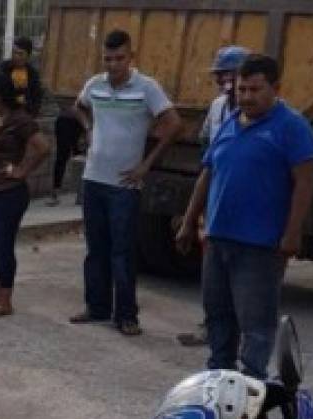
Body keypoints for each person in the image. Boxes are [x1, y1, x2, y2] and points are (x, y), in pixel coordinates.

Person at [175, 54, 313, 379]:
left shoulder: (292, 127)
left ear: (276, 88)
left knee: (255, 324)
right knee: (217, 316)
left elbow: (305, 182)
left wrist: (292, 233)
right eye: (242, 90)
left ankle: (251, 388)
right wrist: (188, 222)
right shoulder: (230, 120)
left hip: (260, 246)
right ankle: (220, 380)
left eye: (255, 90)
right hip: (218, 239)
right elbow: (208, 173)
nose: (247, 97)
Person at [69, 29, 182, 336]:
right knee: (96, 249)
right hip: (93, 179)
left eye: (119, 58)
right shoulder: (95, 85)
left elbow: (173, 123)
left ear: (132, 57)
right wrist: (88, 126)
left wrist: (146, 164)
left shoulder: (146, 88)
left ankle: (127, 315)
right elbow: (78, 107)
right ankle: (97, 307)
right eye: (108, 59)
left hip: (125, 186)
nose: (113, 65)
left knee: (123, 252)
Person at [177, 44, 249, 349]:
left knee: (245, 268)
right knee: (214, 265)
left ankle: (244, 329)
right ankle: (213, 325)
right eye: (219, 75)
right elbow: (207, 148)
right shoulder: (218, 107)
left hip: (246, 199)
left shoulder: (260, 110)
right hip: (218, 194)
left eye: (228, 74)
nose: (223, 81)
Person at [0, 71, 50, 317]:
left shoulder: (20, 120)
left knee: (3, 245)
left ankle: (5, 300)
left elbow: (43, 147)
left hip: (10, 192)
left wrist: (22, 170)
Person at [48, 104, 83, 206]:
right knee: (62, 157)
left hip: (84, 120)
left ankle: (82, 193)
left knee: (82, 154)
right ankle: (55, 193)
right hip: (68, 119)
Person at [0, 35, 44, 117]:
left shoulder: (32, 74)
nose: (16, 57)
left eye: (20, 54)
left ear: (28, 56)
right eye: (14, 52)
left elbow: (36, 99)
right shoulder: (3, 68)